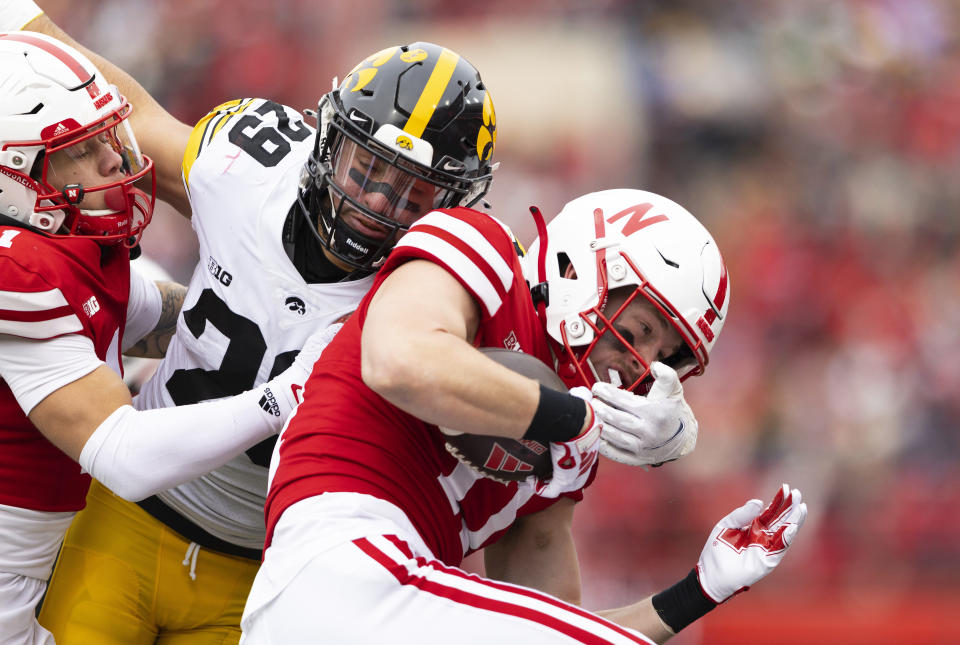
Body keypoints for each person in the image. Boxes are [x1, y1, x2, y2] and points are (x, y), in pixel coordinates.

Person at [11, 6, 710, 644]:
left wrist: (627, 417)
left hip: (262, 563)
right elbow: (124, 114)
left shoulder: (439, 289)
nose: (378, 202)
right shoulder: (248, 168)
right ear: (324, 135)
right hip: (129, 513)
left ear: (460, 202)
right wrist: (23, 24)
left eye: (417, 192)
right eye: (367, 166)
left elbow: (537, 415)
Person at [243, 187, 807, 644]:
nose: (636, 367)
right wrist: (572, 420)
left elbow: (554, 621)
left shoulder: (567, 446)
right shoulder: (481, 249)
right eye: (636, 334)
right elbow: (398, 360)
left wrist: (697, 592)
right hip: (334, 562)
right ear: (580, 267)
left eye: (662, 358)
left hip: (380, 606)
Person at [0, 32, 329, 645]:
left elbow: (152, 310)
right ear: (14, 177)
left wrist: (264, 306)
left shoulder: (65, 254)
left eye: (106, 137)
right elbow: (126, 458)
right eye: (81, 149)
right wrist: (285, 394)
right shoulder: (22, 278)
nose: (115, 162)